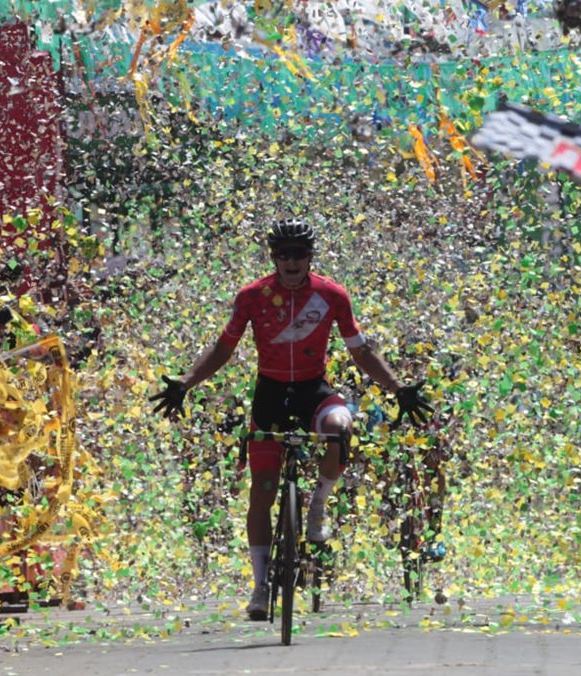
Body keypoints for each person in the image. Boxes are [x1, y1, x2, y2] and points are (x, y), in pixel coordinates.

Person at [151, 218, 432, 620]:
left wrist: (398, 387)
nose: (291, 262)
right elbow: (223, 348)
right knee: (262, 491)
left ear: (310, 256)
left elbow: (361, 351)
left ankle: (317, 506)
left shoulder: (332, 295)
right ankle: (261, 585)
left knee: (339, 428)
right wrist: (185, 383)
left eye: (299, 254)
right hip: (270, 396)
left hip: (313, 390)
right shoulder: (252, 296)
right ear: (273, 257)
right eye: (283, 254)